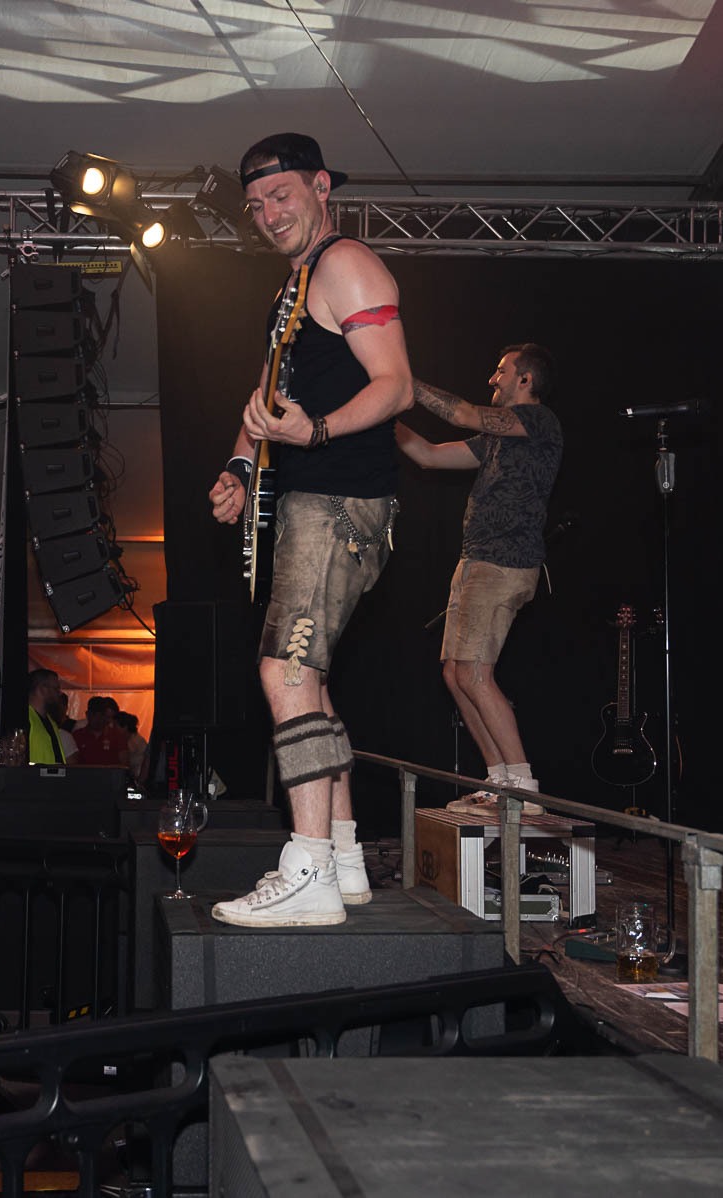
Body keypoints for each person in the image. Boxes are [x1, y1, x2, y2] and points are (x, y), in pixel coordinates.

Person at [206, 132, 412, 928]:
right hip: (311, 499)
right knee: (311, 681)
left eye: (281, 194)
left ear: (322, 187)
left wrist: (316, 432)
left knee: (283, 672)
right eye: (256, 204)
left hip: (339, 501)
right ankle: (346, 860)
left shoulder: (346, 262)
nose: (268, 213)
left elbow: (395, 385)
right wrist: (240, 466)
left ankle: (309, 870)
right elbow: (265, 397)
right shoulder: (295, 286)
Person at [395, 345, 564, 806]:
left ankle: (524, 789)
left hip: (504, 563)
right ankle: (498, 780)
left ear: (525, 380)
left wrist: (403, 386)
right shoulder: (496, 440)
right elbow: (428, 455)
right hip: (474, 562)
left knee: (474, 673)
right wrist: (381, 416)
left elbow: (465, 414)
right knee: (455, 674)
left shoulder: (539, 421)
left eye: (501, 370)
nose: (493, 378)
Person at [73, 696, 129, 767]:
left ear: (106, 716)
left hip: (110, 774)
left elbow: (124, 765)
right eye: (94, 714)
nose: (98, 719)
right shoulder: (77, 736)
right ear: (87, 714)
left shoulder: (117, 736)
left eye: (101, 715)